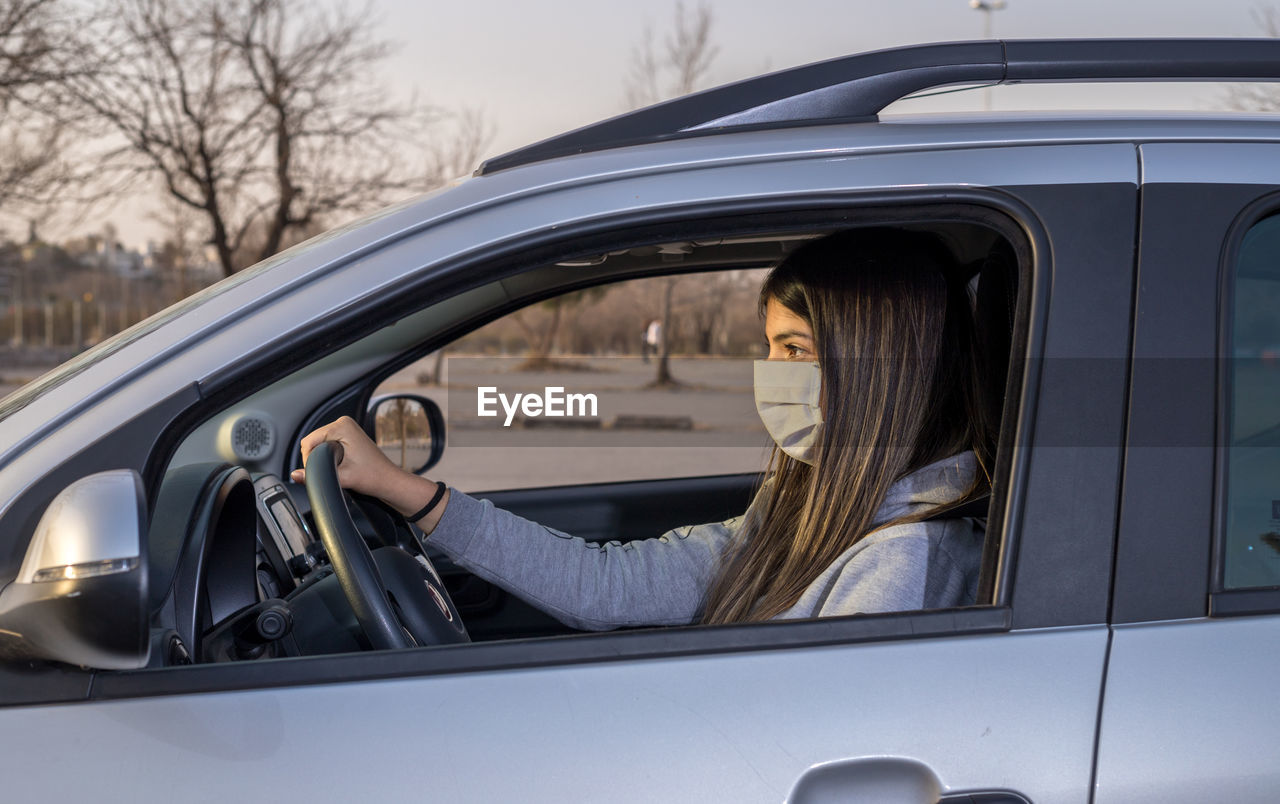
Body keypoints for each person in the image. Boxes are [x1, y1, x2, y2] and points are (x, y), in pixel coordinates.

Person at [292, 228, 992, 629]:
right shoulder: (810, 508)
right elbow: (612, 585)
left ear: (883, 369)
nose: (771, 373)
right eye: (772, 346)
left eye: (797, 350)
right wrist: (403, 490)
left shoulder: (905, 564)